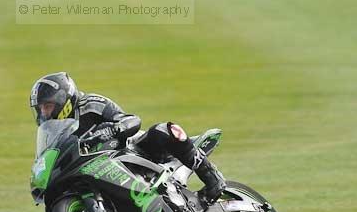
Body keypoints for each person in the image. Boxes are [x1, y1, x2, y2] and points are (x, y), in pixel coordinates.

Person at [29, 72, 226, 204]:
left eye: (48, 106)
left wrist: (113, 129)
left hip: (132, 152)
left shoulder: (91, 103)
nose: (45, 113)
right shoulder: (53, 131)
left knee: (162, 130)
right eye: (41, 109)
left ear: (63, 99)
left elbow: (132, 120)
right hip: (97, 170)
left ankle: (212, 178)